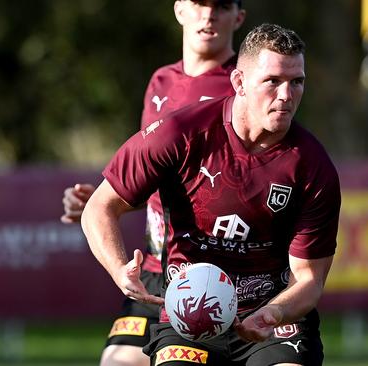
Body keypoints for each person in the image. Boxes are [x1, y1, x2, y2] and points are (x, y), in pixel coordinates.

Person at [81, 23, 341, 365]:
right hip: (188, 314)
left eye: (297, 82)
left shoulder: (313, 166)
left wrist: (275, 313)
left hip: (271, 317)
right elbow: (99, 208)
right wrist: (119, 270)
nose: (286, 96)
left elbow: (309, 278)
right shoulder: (180, 133)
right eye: (273, 81)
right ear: (239, 82)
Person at [60, 1, 246, 365]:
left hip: (209, 274)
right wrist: (107, 201)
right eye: (198, 4)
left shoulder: (243, 86)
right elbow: (156, 175)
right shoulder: (161, 80)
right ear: (179, 10)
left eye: (221, 6)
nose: (208, 16)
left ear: (239, 17)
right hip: (154, 270)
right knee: (118, 361)